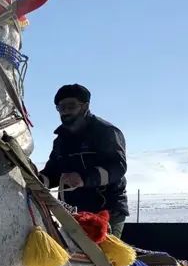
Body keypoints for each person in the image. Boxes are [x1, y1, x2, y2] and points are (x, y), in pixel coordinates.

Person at [39, 84, 129, 236]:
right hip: (72, 212)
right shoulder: (61, 140)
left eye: (71, 106)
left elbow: (117, 166)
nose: (65, 111)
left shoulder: (105, 131)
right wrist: (39, 180)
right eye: (61, 107)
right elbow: (54, 171)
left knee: (102, 257)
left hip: (106, 210)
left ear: (85, 106)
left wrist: (84, 178)